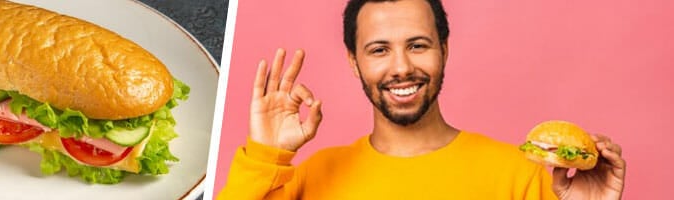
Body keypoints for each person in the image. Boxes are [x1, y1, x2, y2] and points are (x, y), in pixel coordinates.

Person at [217, 0, 626, 199]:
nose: (400, 68)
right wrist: (263, 156)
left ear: (444, 50)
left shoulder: (527, 175)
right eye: (379, 50)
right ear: (354, 62)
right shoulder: (310, 177)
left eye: (417, 45)